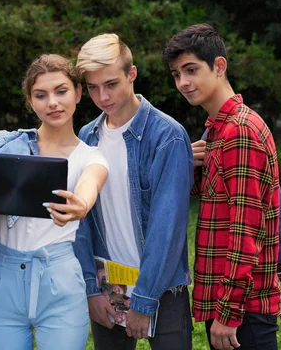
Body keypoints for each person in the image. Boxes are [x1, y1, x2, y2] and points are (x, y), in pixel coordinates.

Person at [0, 54, 109, 349]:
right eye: (41, 95)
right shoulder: (2, 149)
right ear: (30, 101)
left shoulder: (91, 156)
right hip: (1, 278)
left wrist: (80, 205)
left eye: (61, 91)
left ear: (77, 93)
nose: (52, 102)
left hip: (60, 279)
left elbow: (91, 184)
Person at [162, 23, 281, 350]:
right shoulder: (216, 131)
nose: (183, 83)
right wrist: (188, 161)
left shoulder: (239, 132)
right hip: (228, 301)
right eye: (176, 74)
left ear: (219, 66)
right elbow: (208, 198)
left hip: (244, 309)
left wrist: (228, 313)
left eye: (191, 70)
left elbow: (247, 232)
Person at [73, 33, 194, 350]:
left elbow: (167, 229)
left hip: (162, 289)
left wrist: (144, 299)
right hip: (107, 286)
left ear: (132, 74)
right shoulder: (87, 136)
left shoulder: (167, 136)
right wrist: (91, 289)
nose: (102, 96)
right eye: (93, 87)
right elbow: (81, 222)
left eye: (111, 84)